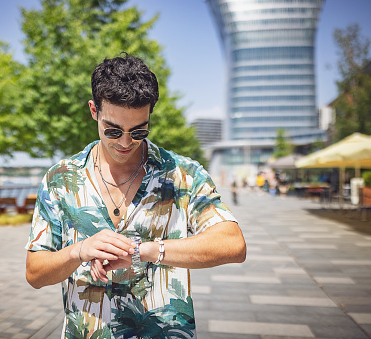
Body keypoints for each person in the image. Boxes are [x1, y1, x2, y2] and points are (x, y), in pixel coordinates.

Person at [25, 53, 246, 338]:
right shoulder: (60, 179)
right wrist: (78, 251)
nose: (126, 142)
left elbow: (233, 244)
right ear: (94, 111)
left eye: (139, 130)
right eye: (113, 130)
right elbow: (34, 273)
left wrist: (148, 252)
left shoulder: (183, 174)